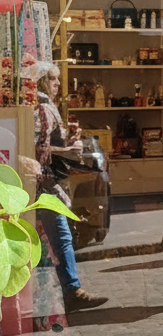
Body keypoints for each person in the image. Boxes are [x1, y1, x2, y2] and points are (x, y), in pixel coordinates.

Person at [34, 67, 107, 312]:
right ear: (43, 81)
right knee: (61, 236)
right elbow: (36, 147)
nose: (58, 84)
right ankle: (71, 290)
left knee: (58, 236)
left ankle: (67, 289)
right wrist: (67, 150)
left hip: (46, 180)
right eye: (53, 79)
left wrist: (69, 140)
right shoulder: (42, 108)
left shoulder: (46, 106)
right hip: (44, 181)